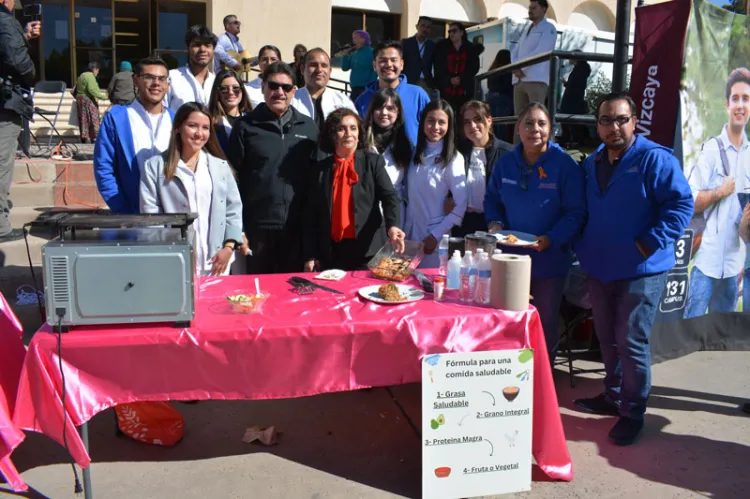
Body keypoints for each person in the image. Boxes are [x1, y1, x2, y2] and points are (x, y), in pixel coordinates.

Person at [573, 93, 693, 446]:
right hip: (600, 267)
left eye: (621, 119)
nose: (614, 127)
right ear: (597, 125)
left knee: (632, 343)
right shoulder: (591, 162)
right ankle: (612, 397)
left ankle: (633, 412)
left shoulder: (654, 159)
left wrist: (650, 241)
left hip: (641, 270)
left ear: (634, 121)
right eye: (607, 120)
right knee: (607, 339)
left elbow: (681, 203)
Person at [484, 102, 585, 365]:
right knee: (507, 318)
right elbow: (492, 199)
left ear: (551, 129)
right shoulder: (506, 163)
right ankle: (508, 376)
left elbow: (576, 213)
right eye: (528, 123)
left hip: (549, 260)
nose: (534, 129)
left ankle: (542, 380)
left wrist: (551, 238)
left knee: (544, 321)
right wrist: (494, 222)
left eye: (541, 123)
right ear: (518, 129)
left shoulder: (565, 165)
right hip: (509, 259)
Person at [227, 62, 318, 274]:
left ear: (294, 91)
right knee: (259, 295)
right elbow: (232, 182)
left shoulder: (308, 127)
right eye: (273, 86)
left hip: (297, 229)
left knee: (293, 294)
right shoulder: (245, 126)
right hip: (258, 229)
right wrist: (238, 228)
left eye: (286, 88)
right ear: (263, 87)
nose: (279, 92)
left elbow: (316, 180)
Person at [140, 102, 243, 277]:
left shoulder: (220, 166)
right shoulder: (155, 167)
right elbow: (152, 218)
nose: (199, 134)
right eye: (192, 126)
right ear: (178, 127)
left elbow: (233, 210)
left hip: (216, 262)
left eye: (205, 128)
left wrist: (229, 247)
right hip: (175, 261)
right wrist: (167, 252)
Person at [304, 108, 405, 271]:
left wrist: (393, 225)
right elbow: (311, 216)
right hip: (331, 253)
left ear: (360, 133)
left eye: (353, 128)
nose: (348, 133)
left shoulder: (373, 162)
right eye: (341, 128)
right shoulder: (320, 170)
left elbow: (389, 196)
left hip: (368, 249)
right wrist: (310, 255)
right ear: (332, 134)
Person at [684, 67, 750, 318]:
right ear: (727, 104)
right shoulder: (712, 150)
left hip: (735, 267)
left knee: (723, 344)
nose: (740, 105)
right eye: (736, 98)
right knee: (691, 339)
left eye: (746, 98)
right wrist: (718, 192)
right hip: (705, 263)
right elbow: (689, 201)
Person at [95, 57, 174, 214]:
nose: (156, 83)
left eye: (161, 78)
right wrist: (122, 210)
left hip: (173, 216)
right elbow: (103, 168)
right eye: (149, 77)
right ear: (136, 81)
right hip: (133, 215)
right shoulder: (117, 118)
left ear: (168, 84)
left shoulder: (176, 120)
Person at [405, 99, 467, 268]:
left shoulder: (454, 158)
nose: (435, 127)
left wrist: (435, 236)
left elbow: (461, 206)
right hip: (409, 233)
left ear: (449, 126)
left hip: (433, 238)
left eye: (442, 122)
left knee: (429, 287)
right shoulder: (414, 153)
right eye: (430, 120)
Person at [0, 0, 39, 242]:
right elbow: (17, 62)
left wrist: (23, 35)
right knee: (2, 164)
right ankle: (1, 226)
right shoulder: (4, 19)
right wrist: (30, 73)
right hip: (4, 104)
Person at [453, 100, 512, 237]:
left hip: (494, 223)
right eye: (466, 122)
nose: (472, 126)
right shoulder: (457, 151)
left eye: (477, 119)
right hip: (463, 222)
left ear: (489, 120)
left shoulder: (507, 153)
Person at [355, 41, 431, 145]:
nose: (389, 65)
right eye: (383, 60)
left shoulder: (418, 95)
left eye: (393, 60)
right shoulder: (362, 101)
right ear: (374, 65)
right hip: (374, 159)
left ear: (402, 64)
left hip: (412, 160)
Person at [363, 88, 414, 225]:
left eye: (390, 108)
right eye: (379, 107)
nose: (384, 113)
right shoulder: (361, 141)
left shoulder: (405, 145)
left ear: (398, 113)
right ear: (372, 111)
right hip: (365, 210)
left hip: (395, 212)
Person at [291, 48, 356, 132]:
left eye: (324, 65)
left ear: (330, 71)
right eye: (313, 65)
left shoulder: (342, 101)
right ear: (302, 69)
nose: (319, 70)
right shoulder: (291, 100)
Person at [511, 0, 557, 115]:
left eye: (534, 7)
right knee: (519, 118)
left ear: (543, 9)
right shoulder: (527, 29)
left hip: (536, 79)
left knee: (535, 116)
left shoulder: (549, 28)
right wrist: (515, 68)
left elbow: (541, 51)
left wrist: (521, 68)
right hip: (519, 79)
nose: (530, 10)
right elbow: (515, 50)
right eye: (530, 7)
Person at [433, 22, 482, 114]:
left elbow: (474, 68)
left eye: (454, 31)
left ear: (461, 32)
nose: (451, 34)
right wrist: (449, 80)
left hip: (464, 89)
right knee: (448, 115)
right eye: (449, 31)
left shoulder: (470, 48)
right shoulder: (442, 48)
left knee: (463, 115)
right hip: (447, 89)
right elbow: (438, 68)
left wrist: (461, 79)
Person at [165, 25, 217, 112]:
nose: (202, 49)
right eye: (197, 45)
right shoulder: (171, 78)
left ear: (213, 49)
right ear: (187, 47)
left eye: (207, 45)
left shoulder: (216, 82)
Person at [208, 69, 252, 154]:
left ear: (242, 90)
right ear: (217, 92)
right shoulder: (210, 123)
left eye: (235, 88)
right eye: (224, 89)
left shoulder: (252, 120)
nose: (230, 92)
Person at [559, 53, 591, 147]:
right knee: (570, 120)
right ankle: (570, 138)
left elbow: (576, 85)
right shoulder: (580, 69)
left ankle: (570, 139)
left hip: (573, 99)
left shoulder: (580, 70)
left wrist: (568, 85)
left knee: (569, 119)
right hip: (574, 97)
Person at [400, 16, 436, 95]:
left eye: (428, 27)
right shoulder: (406, 43)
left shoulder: (432, 45)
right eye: (423, 26)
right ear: (417, 26)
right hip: (409, 82)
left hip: (426, 83)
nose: (425, 29)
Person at [74, 62, 108, 143]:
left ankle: (85, 137)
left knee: (83, 119)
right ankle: (94, 137)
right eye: (97, 70)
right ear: (94, 69)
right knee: (93, 118)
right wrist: (103, 97)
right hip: (87, 100)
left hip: (80, 99)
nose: (97, 72)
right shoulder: (90, 76)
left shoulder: (82, 76)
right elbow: (92, 89)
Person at [486, 49, 514, 142]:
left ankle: (493, 142)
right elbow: (508, 86)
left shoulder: (492, 70)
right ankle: (502, 144)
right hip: (504, 99)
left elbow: (489, 86)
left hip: (491, 98)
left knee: (493, 123)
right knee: (502, 125)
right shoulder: (508, 71)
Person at [341, 30, 377, 102]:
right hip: (354, 87)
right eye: (353, 38)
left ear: (363, 39)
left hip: (366, 88)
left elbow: (375, 71)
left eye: (355, 38)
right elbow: (345, 68)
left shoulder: (372, 52)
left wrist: (369, 87)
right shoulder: (354, 54)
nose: (353, 40)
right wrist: (345, 54)